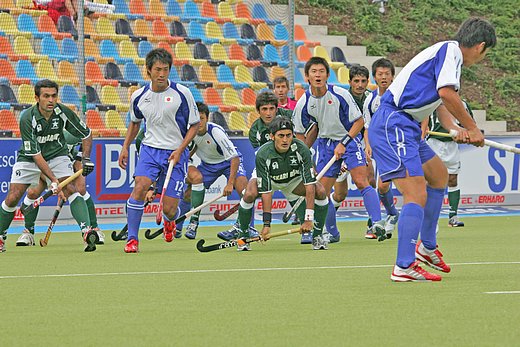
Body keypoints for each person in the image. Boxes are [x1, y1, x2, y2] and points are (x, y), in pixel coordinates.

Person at [368, 18, 495, 281]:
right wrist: (472, 128)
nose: (482, 58)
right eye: (486, 53)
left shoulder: (448, 56)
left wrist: (454, 129)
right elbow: (447, 93)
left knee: (438, 175)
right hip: (395, 123)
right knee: (416, 193)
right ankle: (403, 266)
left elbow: (439, 102)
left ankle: (426, 247)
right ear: (480, 46)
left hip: (408, 125)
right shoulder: (450, 51)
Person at [293, 57, 385, 245]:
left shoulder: (341, 94)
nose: (317, 75)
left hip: (349, 141)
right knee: (322, 192)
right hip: (325, 145)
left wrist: (344, 142)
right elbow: (299, 134)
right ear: (307, 76)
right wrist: (306, 158)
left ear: (327, 75)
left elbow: (359, 122)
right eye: (313, 72)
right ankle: (332, 233)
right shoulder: (304, 101)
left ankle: (377, 223)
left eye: (321, 71)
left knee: (362, 181)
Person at [0, 79, 97, 252]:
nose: (51, 100)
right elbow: (36, 155)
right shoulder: (27, 118)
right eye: (46, 96)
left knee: (70, 189)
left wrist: (86, 159)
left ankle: (87, 231)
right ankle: (1, 236)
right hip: (30, 158)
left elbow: (86, 133)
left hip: (57, 155)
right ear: (37, 98)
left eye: (54, 96)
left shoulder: (62, 112)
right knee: (14, 195)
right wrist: (53, 180)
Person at [119, 48, 200, 253]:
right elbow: (135, 123)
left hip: (176, 153)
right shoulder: (139, 96)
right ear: (148, 71)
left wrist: (181, 149)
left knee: (170, 209)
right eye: (157, 70)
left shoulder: (182, 93)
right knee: (140, 187)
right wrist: (125, 147)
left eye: (165, 69)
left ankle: (170, 221)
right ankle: (132, 239)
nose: (162, 74)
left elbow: (195, 125)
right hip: (150, 150)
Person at [236, 117, 330, 251]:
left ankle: (317, 236)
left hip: (293, 180)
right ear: (272, 136)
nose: (285, 140)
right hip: (270, 179)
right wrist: (266, 224)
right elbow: (266, 192)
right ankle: (243, 237)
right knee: (249, 194)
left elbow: (309, 186)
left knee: (320, 191)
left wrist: (308, 219)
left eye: (288, 135)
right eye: (281, 136)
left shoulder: (302, 149)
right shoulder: (263, 154)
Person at [216, 91, 290, 241]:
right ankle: (243, 227)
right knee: (249, 193)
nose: (268, 113)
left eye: (271, 109)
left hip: (291, 164)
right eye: (264, 109)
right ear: (258, 111)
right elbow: (262, 158)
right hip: (267, 166)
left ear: (277, 109)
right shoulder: (255, 131)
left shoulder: (289, 116)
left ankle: (312, 228)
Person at [16, 130, 105, 246]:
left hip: (65, 160)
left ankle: (92, 230)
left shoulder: (68, 133)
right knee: (33, 192)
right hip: (42, 166)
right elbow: (37, 162)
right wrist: (53, 182)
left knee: (79, 188)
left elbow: (86, 136)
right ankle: (28, 233)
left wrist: (79, 159)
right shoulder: (35, 136)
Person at [180, 102, 249, 239]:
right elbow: (188, 153)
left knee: (244, 190)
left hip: (228, 162)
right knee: (188, 193)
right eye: (196, 119)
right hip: (208, 166)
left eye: (202, 118)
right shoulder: (190, 133)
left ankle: (244, 226)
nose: (199, 122)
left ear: (207, 118)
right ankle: (180, 226)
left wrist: (230, 184)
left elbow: (234, 158)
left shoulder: (216, 132)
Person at [363, 58, 399, 239]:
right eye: (380, 74)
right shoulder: (370, 100)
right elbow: (367, 127)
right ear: (374, 77)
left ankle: (392, 215)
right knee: (375, 183)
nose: (384, 77)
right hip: (378, 146)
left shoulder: (400, 96)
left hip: (398, 145)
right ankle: (384, 218)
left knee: (383, 185)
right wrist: (368, 145)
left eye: (387, 74)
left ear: (393, 77)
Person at [426, 100, 474, 227]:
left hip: (452, 146)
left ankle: (453, 216)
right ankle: (430, 218)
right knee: (430, 181)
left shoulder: (462, 104)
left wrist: (467, 135)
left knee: (453, 179)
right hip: (433, 143)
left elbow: (470, 125)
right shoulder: (432, 102)